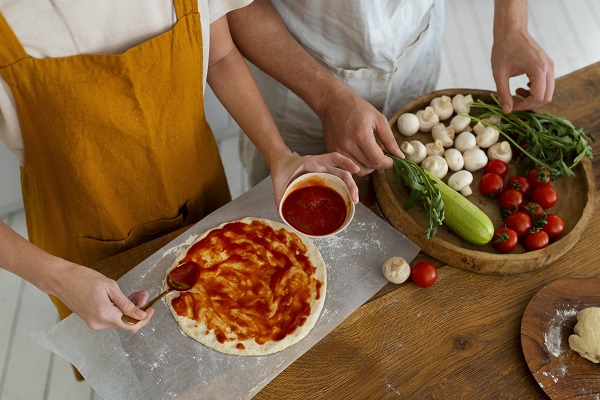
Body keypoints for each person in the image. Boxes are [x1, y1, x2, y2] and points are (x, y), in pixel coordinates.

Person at [0, 0, 360, 337]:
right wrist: (56, 275)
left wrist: (279, 155)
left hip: (200, 196)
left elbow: (219, 57)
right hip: (84, 236)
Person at [227, 0, 555, 186]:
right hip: (297, 69)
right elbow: (229, 6)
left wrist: (512, 25)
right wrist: (327, 100)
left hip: (414, 51)